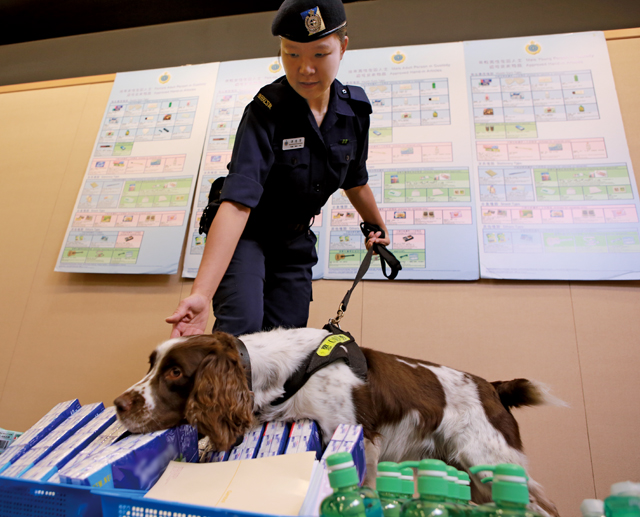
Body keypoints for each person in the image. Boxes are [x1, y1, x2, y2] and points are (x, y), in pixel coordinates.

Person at [167, 0, 389, 338]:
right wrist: (201, 294)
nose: (305, 69)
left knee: (285, 343)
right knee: (242, 329)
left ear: (343, 47)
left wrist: (375, 225)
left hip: (295, 240)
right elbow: (238, 200)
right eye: (292, 54)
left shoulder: (354, 111)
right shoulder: (265, 110)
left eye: (319, 54)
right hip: (248, 234)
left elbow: (355, 179)